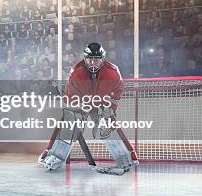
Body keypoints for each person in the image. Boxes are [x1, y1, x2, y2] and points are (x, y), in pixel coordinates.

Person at [38, 43, 139, 175]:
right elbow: (69, 98)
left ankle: (125, 158)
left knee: (107, 125)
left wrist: (110, 109)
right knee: (69, 125)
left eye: (96, 59)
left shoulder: (113, 73)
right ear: (84, 58)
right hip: (82, 102)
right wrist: (75, 110)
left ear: (102, 59)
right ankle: (54, 157)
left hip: (101, 102)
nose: (92, 62)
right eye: (90, 59)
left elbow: (117, 91)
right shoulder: (76, 72)